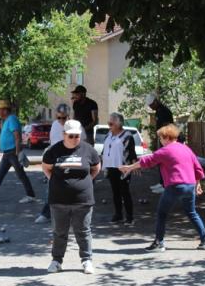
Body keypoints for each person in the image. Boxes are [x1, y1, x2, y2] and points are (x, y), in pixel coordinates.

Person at [119, 124, 205, 252]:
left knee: (162, 214)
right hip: (189, 186)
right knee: (191, 212)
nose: (160, 141)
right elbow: (197, 167)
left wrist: (129, 168)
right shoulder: (186, 149)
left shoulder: (166, 150)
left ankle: (159, 243)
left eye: (160, 138)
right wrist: (197, 184)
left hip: (175, 185)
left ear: (166, 137)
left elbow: (147, 160)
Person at [42, 120, 101, 274]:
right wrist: (55, 182)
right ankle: (56, 261)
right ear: (64, 135)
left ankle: (87, 260)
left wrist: (85, 183)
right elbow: (46, 168)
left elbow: (96, 168)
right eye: (71, 136)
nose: (75, 139)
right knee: (59, 232)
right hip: (59, 200)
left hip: (83, 200)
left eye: (77, 136)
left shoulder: (88, 150)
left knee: (83, 231)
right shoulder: (53, 151)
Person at [35, 103, 86, 223]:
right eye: (59, 118)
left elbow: (83, 143)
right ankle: (46, 214)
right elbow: (52, 143)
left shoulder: (76, 126)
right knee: (52, 188)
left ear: (69, 116)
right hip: (56, 162)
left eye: (64, 118)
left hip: (71, 161)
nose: (61, 120)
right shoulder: (54, 125)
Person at [0, 100, 36, 203]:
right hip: (7, 154)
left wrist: (18, 152)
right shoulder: (7, 120)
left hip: (13, 152)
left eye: (0, 110)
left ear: (5, 110)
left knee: (20, 175)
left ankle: (31, 195)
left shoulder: (12, 119)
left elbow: (17, 136)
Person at [102, 113, 137, 225]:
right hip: (111, 166)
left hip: (123, 167)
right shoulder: (109, 135)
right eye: (108, 123)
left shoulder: (127, 136)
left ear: (118, 124)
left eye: (111, 123)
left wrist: (135, 165)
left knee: (125, 192)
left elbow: (131, 152)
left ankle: (130, 217)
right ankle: (118, 215)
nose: (109, 125)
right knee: (115, 192)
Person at [146, 94, 174, 194]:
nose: (150, 107)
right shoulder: (158, 111)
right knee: (161, 161)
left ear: (155, 102)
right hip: (162, 139)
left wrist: (164, 140)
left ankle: (165, 185)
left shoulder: (164, 111)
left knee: (165, 162)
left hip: (167, 139)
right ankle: (162, 182)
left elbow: (167, 126)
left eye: (151, 105)